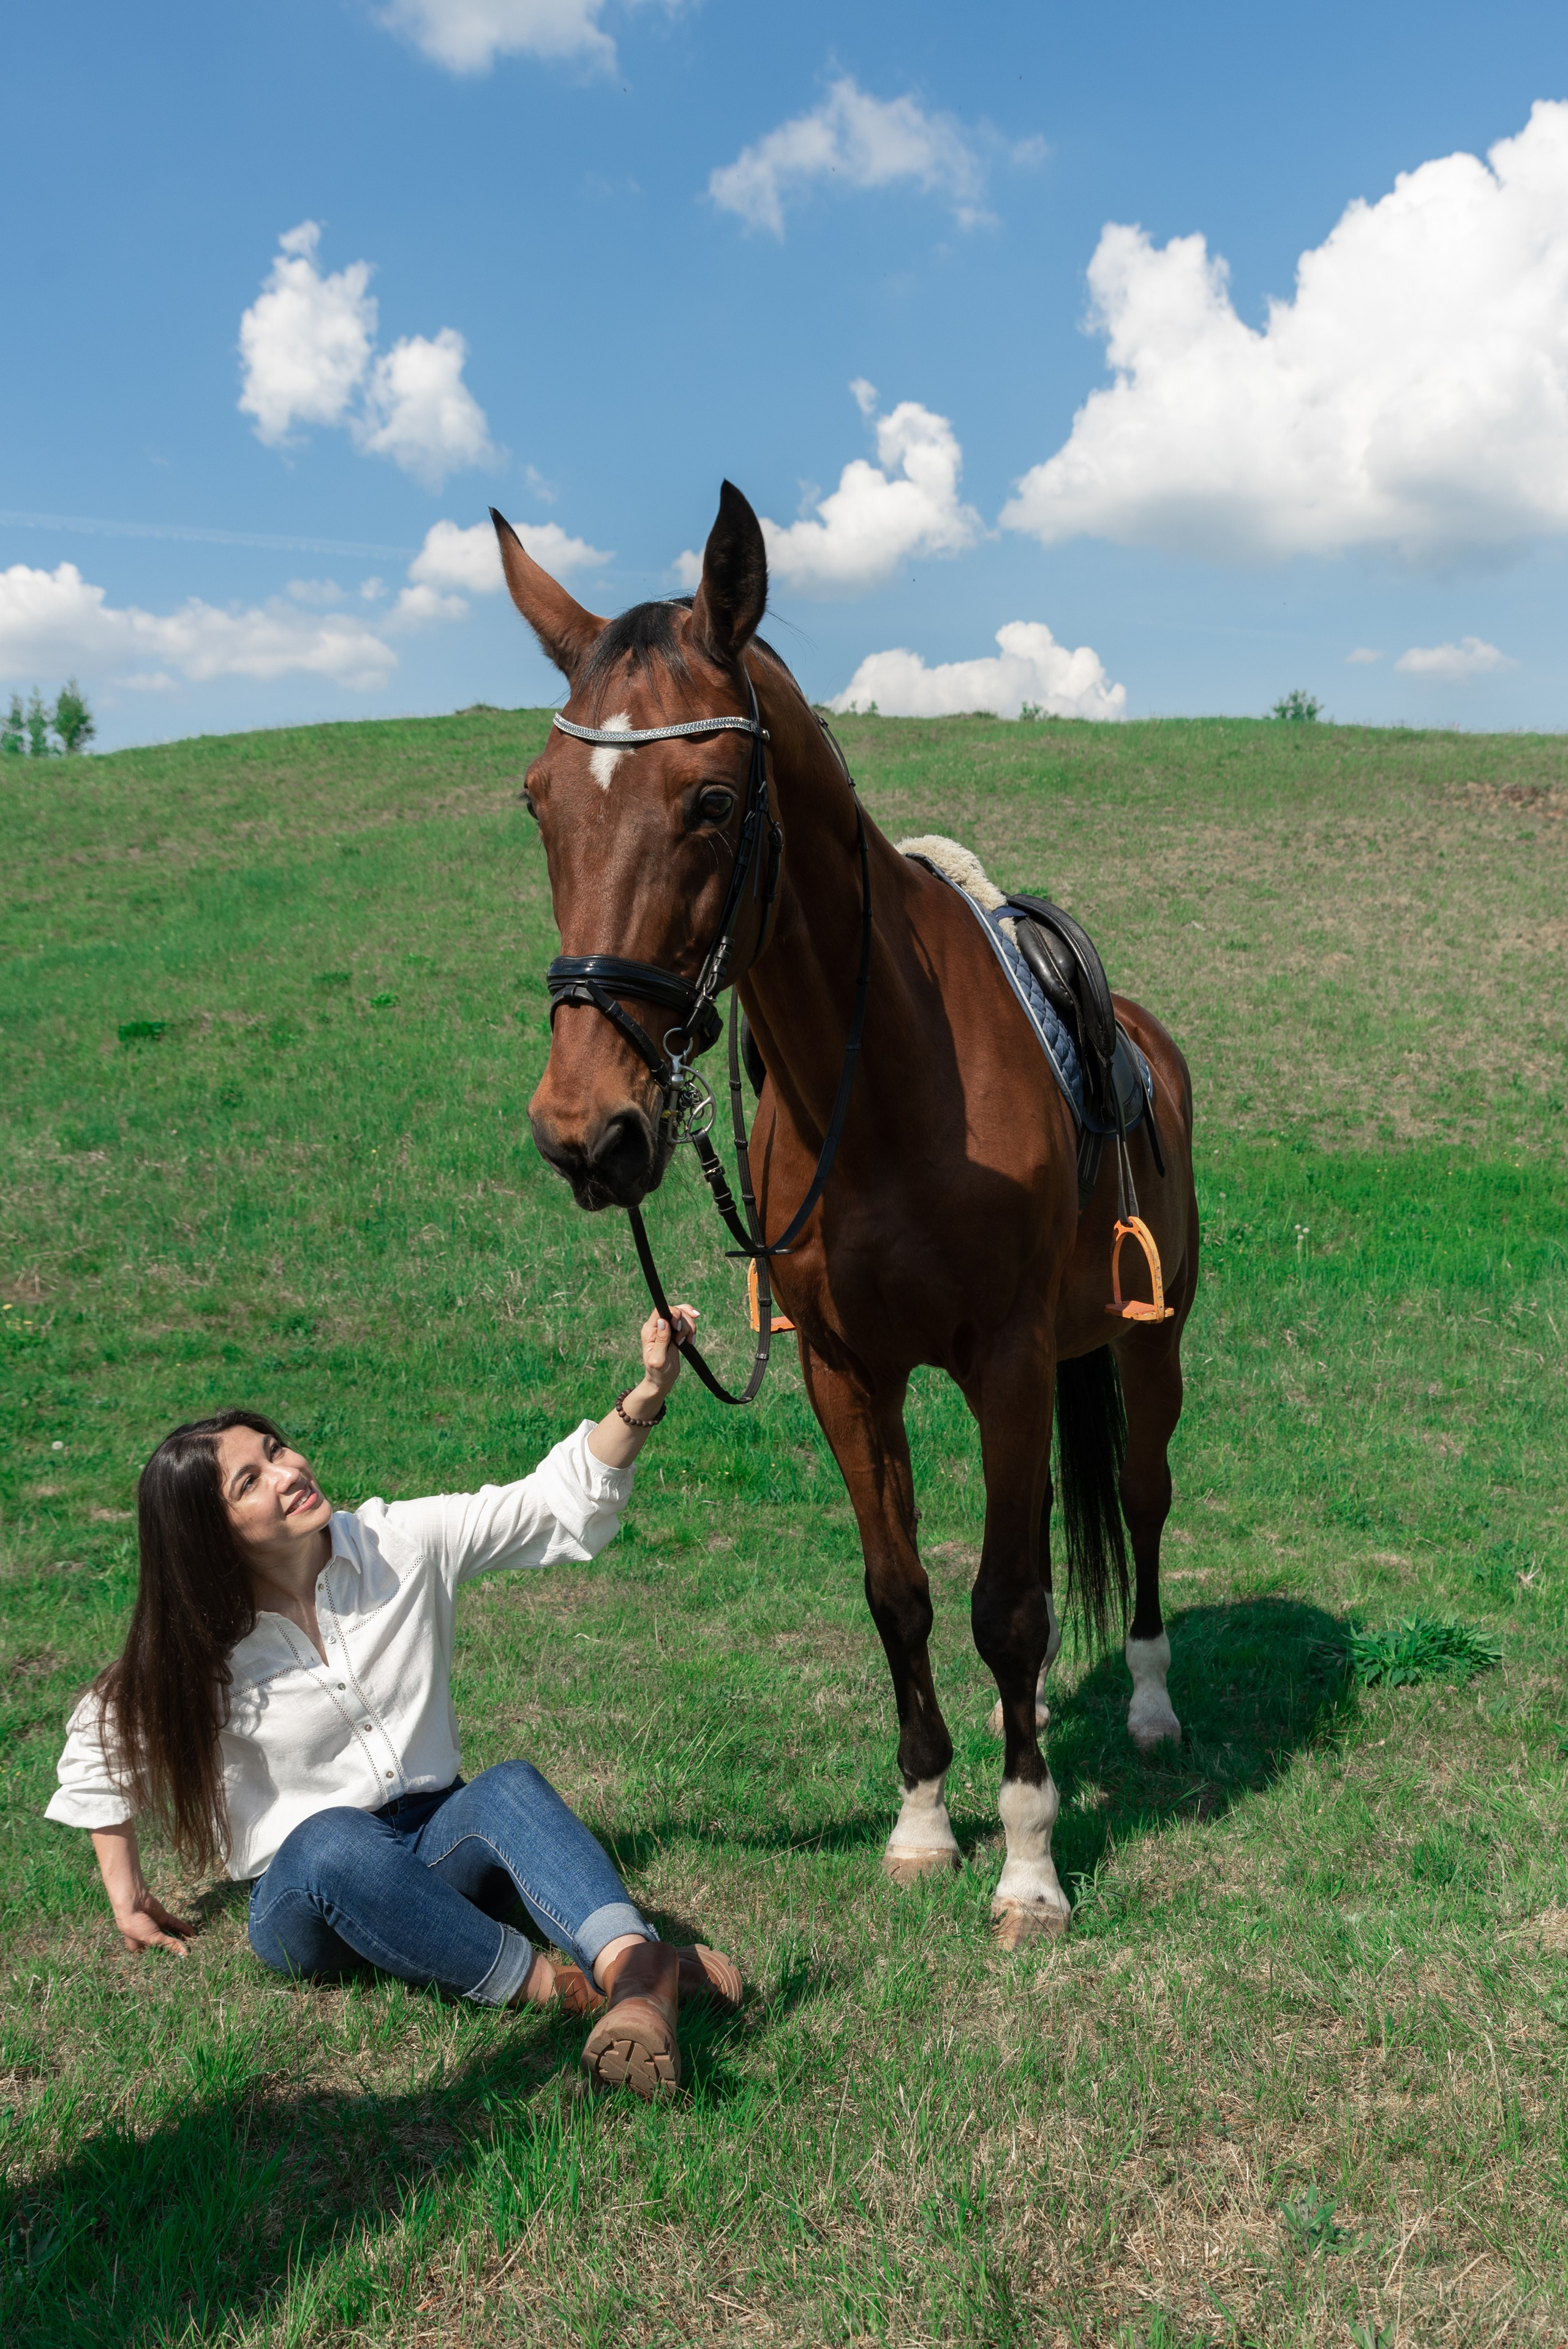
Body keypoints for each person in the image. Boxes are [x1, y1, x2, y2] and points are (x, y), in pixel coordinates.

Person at [45, 1306, 739, 2099]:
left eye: (275, 1450)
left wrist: (647, 1393)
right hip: (309, 1895)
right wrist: (125, 1890)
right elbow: (102, 1734)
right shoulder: (197, 1644)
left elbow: (548, 1504)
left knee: (506, 1785)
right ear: (213, 1532)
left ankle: (636, 1972)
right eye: (252, 1480)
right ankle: (561, 1991)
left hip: (436, 1840)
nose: (288, 1471)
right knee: (334, 1838)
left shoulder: (397, 1542)